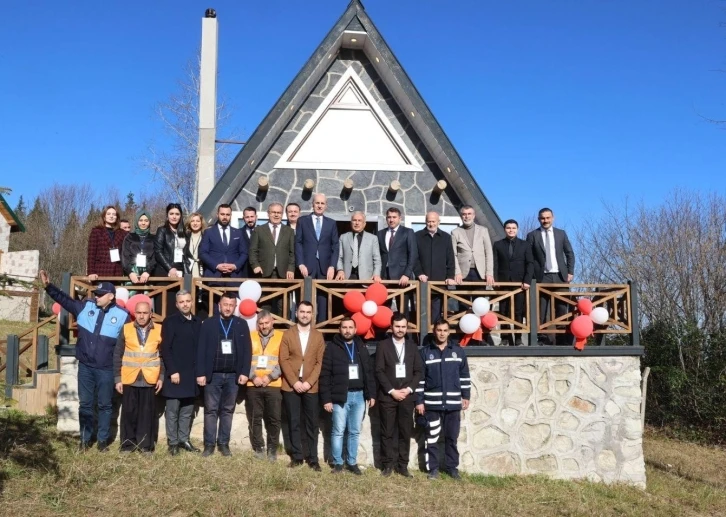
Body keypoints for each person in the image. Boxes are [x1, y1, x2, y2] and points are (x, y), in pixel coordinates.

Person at [39, 270, 129, 451]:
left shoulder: (123, 316)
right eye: (96, 294)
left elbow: (125, 345)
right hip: (86, 367)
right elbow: (65, 300)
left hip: (106, 369)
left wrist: (120, 372)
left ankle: (103, 441)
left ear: (111, 297)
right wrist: (49, 286)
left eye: (101, 295)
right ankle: (85, 439)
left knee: (105, 405)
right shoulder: (85, 307)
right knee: (85, 404)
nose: (97, 297)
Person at [196, 292, 252, 457]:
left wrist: (244, 372)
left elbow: (247, 350)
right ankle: (209, 445)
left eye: (231, 305)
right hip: (213, 375)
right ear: (219, 305)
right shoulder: (209, 324)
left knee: (227, 410)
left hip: (233, 376)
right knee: (211, 410)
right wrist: (200, 373)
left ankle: (223, 444)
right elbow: (201, 349)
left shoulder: (241, 324)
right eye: (225, 304)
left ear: (235, 306)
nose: (228, 308)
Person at [320, 317, 376, 475]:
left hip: (359, 396)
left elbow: (368, 372)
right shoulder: (332, 348)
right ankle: (338, 463)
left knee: (354, 431)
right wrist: (326, 399)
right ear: (340, 329)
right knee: (338, 430)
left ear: (355, 329)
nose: (347, 330)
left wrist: (370, 394)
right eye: (344, 327)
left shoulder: (360, 346)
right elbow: (325, 375)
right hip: (340, 397)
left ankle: (352, 462)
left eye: (350, 327)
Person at [416, 319, 470, 480]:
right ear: (434, 331)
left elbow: (464, 376)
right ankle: (433, 469)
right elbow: (420, 379)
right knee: (431, 437)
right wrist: (419, 401)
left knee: (451, 438)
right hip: (432, 404)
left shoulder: (458, 351)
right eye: (439, 330)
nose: (442, 333)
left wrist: (466, 396)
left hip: (453, 404)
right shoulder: (425, 352)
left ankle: (452, 468)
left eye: (445, 330)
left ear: (449, 332)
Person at [278, 301, 326, 470]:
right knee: (294, 421)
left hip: (310, 386)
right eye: (302, 311)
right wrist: (295, 382)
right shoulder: (287, 334)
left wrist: (308, 382)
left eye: (308, 312)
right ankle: (297, 456)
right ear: (296, 313)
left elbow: (320, 363)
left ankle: (313, 458)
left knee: (312, 423)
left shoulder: (318, 336)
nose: (305, 315)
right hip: (291, 386)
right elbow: (283, 360)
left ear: (312, 315)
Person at [375, 312, 423, 478]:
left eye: (403, 326)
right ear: (391, 327)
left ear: (407, 327)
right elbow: (379, 370)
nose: (400, 329)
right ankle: (387, 465)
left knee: (405, 432)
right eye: (397, 326)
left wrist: (409, 390)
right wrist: (392, 391)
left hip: (407, 396)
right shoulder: (383, 345)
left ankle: (402, 466)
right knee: (387, 432)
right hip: (388, 396)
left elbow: (418, 371)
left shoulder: (412, 346)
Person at [114, 301, 163, 454]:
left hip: (150, 378)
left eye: (145, 313)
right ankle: (127, 445)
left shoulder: (159, 330)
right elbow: (117, 354)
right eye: (139, 313)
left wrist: (161, 377)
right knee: (128, 413)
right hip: (130, 377)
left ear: (150, 314)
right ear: (134, 313)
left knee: (147, 414)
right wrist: (117, 378)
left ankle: (145, 446)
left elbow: (162, 356)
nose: (141, 316)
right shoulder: (126, 329)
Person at [525, 208, 576, 345]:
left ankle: (561, 339)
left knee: (562, 308)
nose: (545, 220)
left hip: (560, 276)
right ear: (538, 219)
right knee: (541, 309)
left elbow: (569, 253)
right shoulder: (532, 235)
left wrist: (570, 272)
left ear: (553, 218)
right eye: (542, 218)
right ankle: (543, 339)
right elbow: (528, 258)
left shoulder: (561, 234)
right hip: (542, 277)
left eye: (548, 218)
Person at [161, 291, 202, 455]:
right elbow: (165, 349)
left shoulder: (198, 322)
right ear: (177, 304)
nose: (185, 304)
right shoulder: (170, 322)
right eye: (181, 302)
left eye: (187, 301)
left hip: (192, 375)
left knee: (187, 410)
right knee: (172, 411)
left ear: (192, 302)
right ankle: (173, 443)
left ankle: (184, 439)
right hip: (176, 374)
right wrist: (173, 371)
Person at [245, 310, 283, 462]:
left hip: (273, 384)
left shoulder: (281, 337)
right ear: (257, 324)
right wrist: (253, 377)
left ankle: (272, 449)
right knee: (255, 418)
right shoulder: (250, 336)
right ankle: (259, 448)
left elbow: (283, 361)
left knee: (274, 418)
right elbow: (244, 359)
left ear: (272, 321)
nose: (264, 326)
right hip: (253, 384)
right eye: (261, 324)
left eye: (267, 323)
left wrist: (270, 377)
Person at [295, 194, 339, 322]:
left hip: (325, 267)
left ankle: (321, 331)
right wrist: (300, 263)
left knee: (323, 299)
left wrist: (332, 266)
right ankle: (304, 326)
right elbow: (298, 242)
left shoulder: (331, 223)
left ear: (326, 206)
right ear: (312, 204)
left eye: (322, 203)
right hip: (307, 265)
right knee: (306, 297)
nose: (319, 206)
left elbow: (335, 246)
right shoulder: (302, 221)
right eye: (317, 203)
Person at [249, 202, 295, 316]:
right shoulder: (259, 230)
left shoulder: (289, 231)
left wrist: (291, 268)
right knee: (265, 303)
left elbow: (292, 253)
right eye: (273, 212)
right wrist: (255, 265)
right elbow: (252, 250)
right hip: (263, 273)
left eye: (279, 213)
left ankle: (282, 330)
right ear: (268, 213)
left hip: (283, 273)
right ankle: (264, 329)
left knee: (282, 305)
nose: (276, 215)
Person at [493, 219, 534, 346]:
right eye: (508, 228)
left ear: (517, 229)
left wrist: (527, 281)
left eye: (513, 228)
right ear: (504, 229)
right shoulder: (498, 244)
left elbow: (530, 263)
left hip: (519, 284)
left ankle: (518, 338)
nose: (511, 230)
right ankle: (505, 338)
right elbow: (495, 263)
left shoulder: (525, 245)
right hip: (503, 282)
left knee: (519, 311)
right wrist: (495, 280)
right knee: (504, 311)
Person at [414, 211, 456, 320]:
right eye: (429, 221)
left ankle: (434, 337)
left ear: (438, 222)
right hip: (422, 283)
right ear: (425, 222)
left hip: (439, 284)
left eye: (433, 221)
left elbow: (450, 258)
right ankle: (422, 337)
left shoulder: (446, 237)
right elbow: (414, 257)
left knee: (436, 316)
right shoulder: (417, 236)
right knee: (422, 316)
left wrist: (450, 276)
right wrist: (419, 273)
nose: (431, 224)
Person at [200, 204, 248, 280]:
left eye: (227, 214)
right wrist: (216, 265)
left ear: (231, 216)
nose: (225, 217)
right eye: (222, 214)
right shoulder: (208, 232)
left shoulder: (238, 233)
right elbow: (203, 253)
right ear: (217, 215)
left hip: (234, 276)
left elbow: (244, 253)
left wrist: (235, 266)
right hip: (214, 276)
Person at [451, 205, 494, 287]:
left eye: (469, 214)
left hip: (480, 273)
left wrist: (489, 273)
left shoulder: (483, 230)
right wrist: (457, 272)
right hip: (462, 274)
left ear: (474, 216)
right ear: (461, 216)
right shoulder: (455, 232)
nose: (467, 216)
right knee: (462, 299)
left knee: (479, 299)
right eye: (464, 214)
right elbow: (453, 254)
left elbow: (488, 253)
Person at [335, 211, 381, 281]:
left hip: (366, 278)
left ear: (364, 224)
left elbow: (377, 259)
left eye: (359, 220)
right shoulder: (343, 237)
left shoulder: (373, 238)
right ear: (351, 223)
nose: (357, 223)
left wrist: (376, 274)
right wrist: (340, 270)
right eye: (354, 220)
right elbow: (339, 257)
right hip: (346, 278)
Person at [377, 207, 417, 287]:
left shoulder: (408, 232)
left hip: (401, 275)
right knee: (385, 299)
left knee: (402, 299)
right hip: (383, 275)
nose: (391, 220)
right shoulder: (380, 233)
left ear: (399, 218)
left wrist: (406, 274)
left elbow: (413, 254)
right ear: (386, 218)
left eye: (394, 217)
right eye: (389, 217)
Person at [87, 205, 127, 281]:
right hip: (100, 271)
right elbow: (91, 254)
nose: (111, 216)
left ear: (117, 217)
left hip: (117, 272)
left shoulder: (122, 233)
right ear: (104, 217)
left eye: (114, 214)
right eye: (108, 214)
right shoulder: (96, 231)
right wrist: (91, 272)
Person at [121, 211, 156, 286]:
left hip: (148, 272)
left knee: (148, 296)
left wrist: (148, 272)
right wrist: (130, 272)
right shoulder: (129, 237)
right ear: (137, 221)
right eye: (141, 220)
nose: (143, 223)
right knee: (132, 296)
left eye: (146, 221)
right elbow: (125, 256)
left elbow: (155, 257)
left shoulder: (154, 238)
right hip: (133, 271)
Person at [154, 203, 188, 279]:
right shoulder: (162, 230)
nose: (174, 216)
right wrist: (170, 268)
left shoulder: (184, 232)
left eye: (177, 214)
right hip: (165, 270)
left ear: (181, 216)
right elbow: (158, 252)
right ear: (167, 215)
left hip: (180, 270)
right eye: (171, 214)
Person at [183, 212, 207, 278]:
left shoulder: (206, 236)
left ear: (201, 223)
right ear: (189, 223)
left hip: (202, 269)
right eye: (192, 221)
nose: (195, 223)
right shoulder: (185, 237)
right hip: (188, 269)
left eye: (198, 221)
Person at [241, 206, 258, 277]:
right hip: (244, 271)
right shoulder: (238, 233)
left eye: (252, 216)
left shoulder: (264, 232)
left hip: (259, 270)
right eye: (247, 217)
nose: (250, 219)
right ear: (243, 218)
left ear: (256, 217)